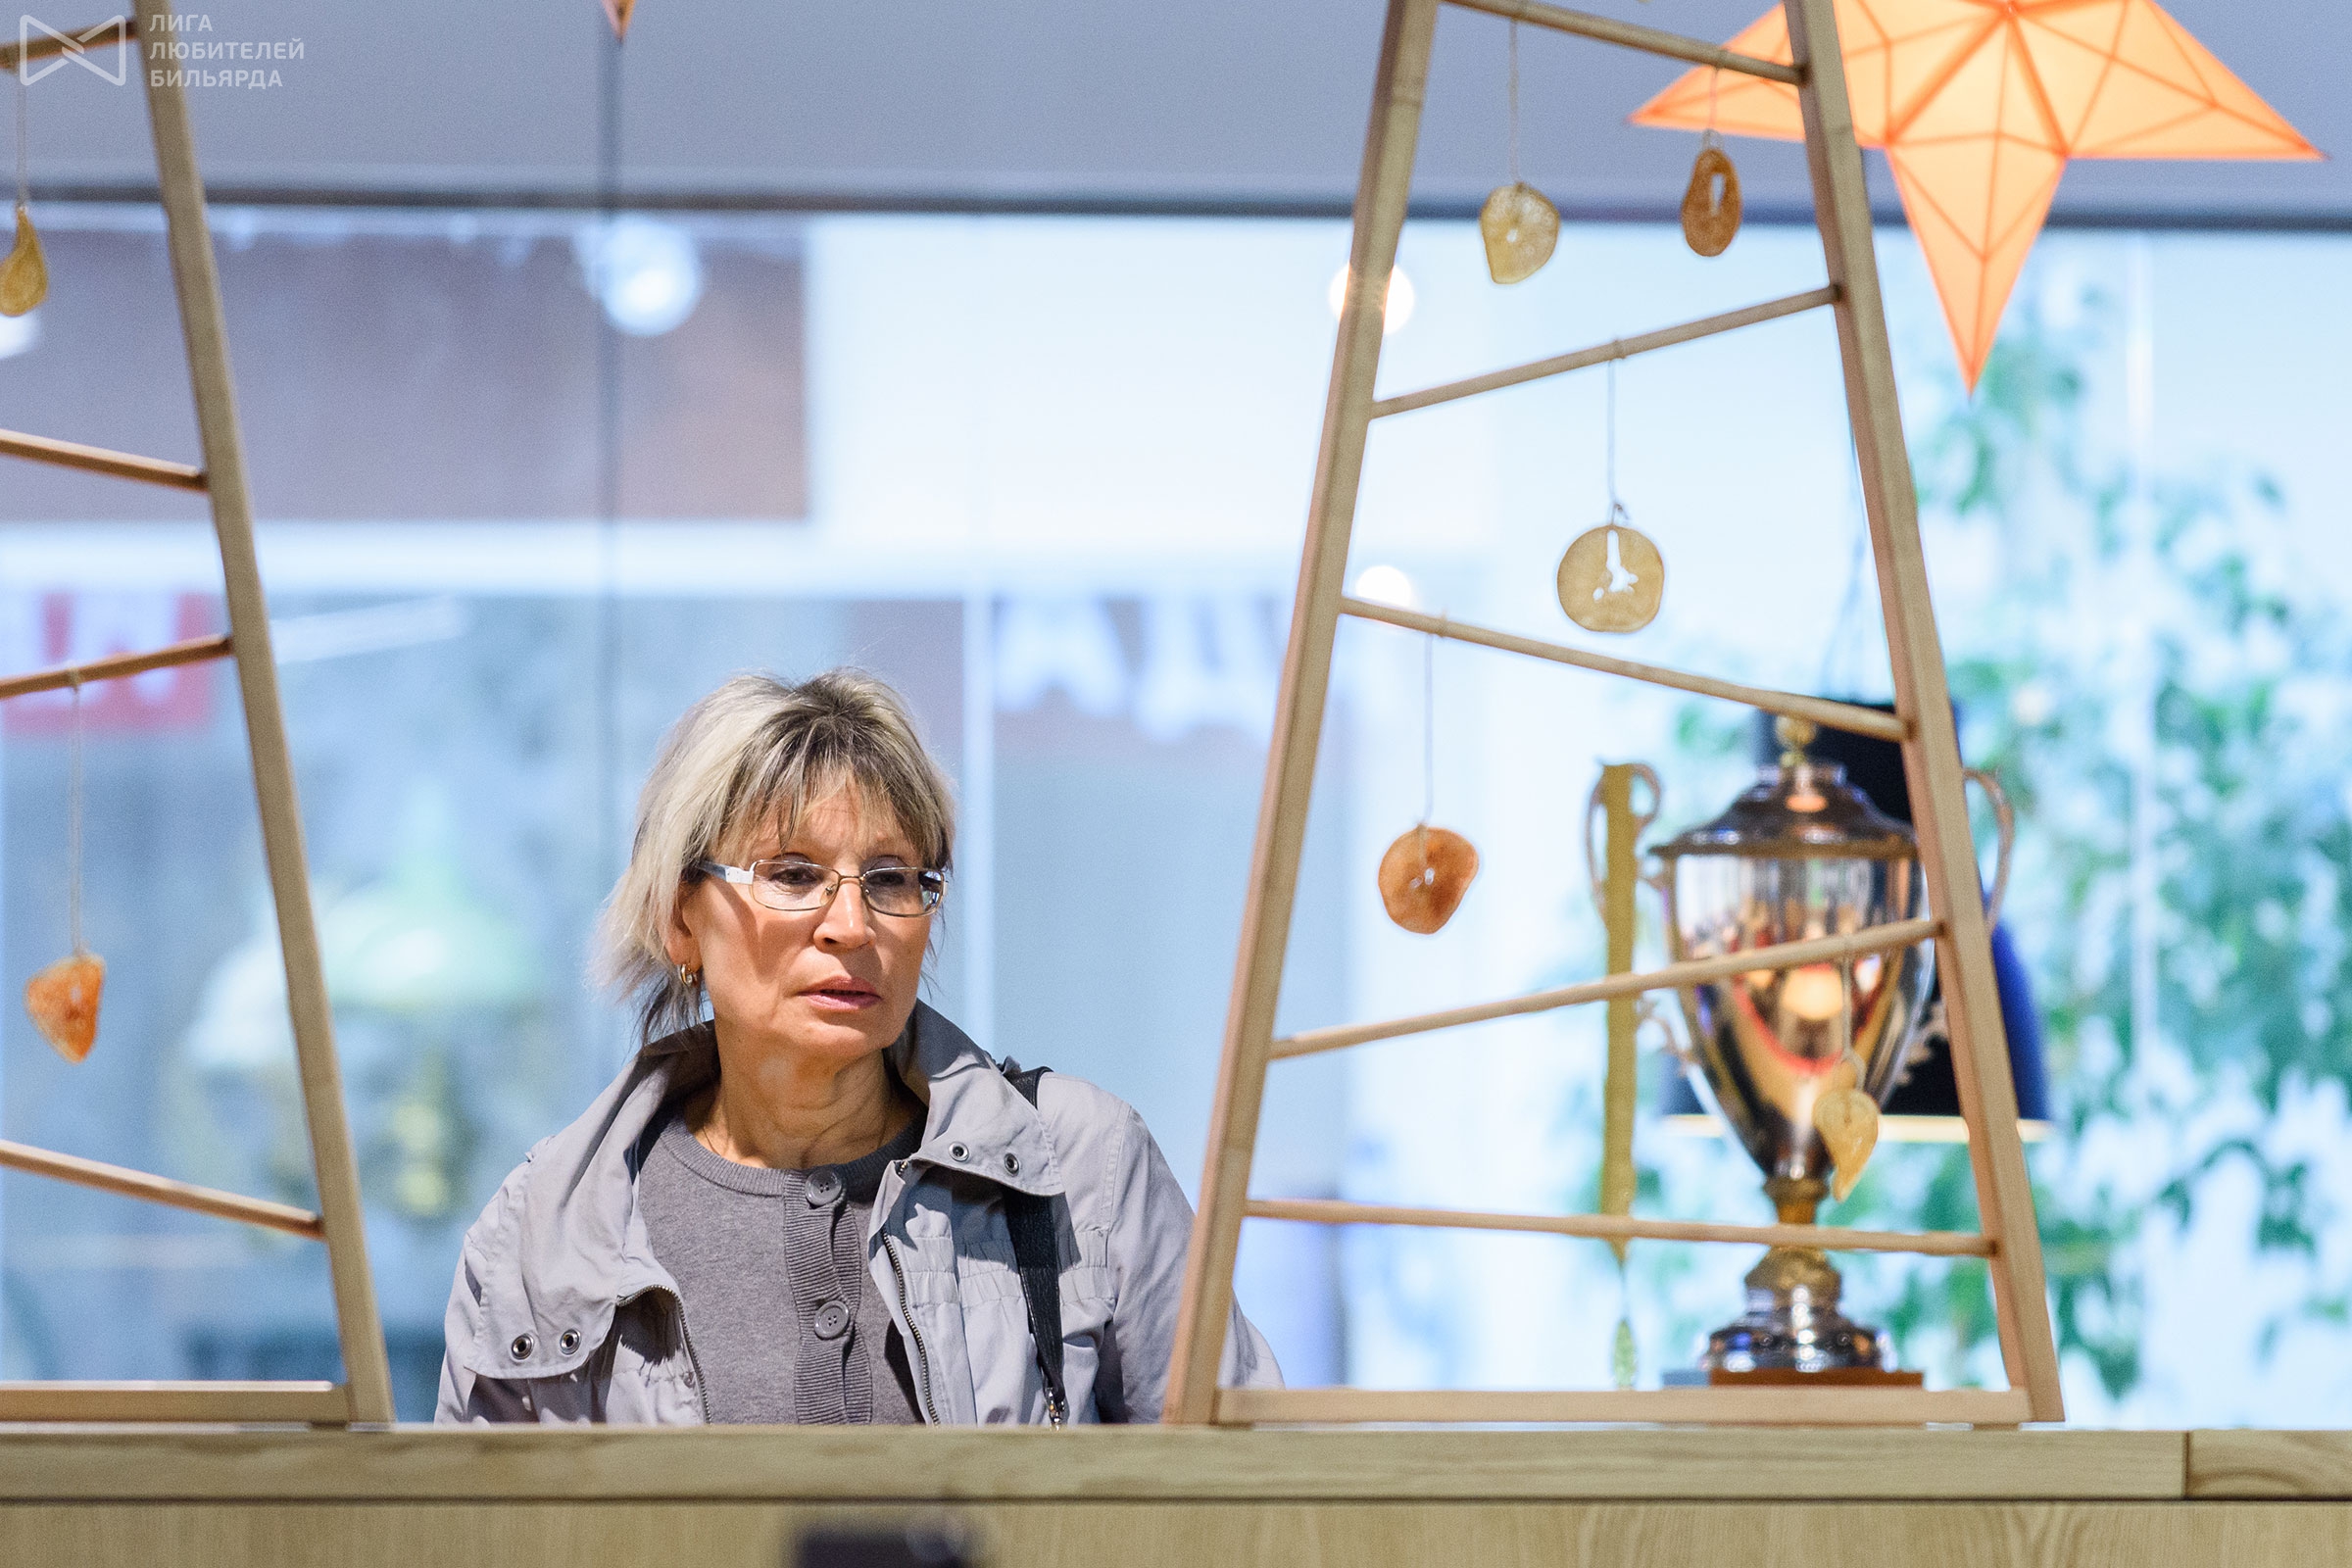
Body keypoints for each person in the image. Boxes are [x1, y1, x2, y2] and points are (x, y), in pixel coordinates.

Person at [436, 668, 1279, 1424]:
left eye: (890, 879)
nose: (851, 925)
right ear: (679, 916)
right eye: (792, 874)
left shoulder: (1082, 1165)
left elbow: (1257, 1497)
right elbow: (472, 1530)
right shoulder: (544, 1232)